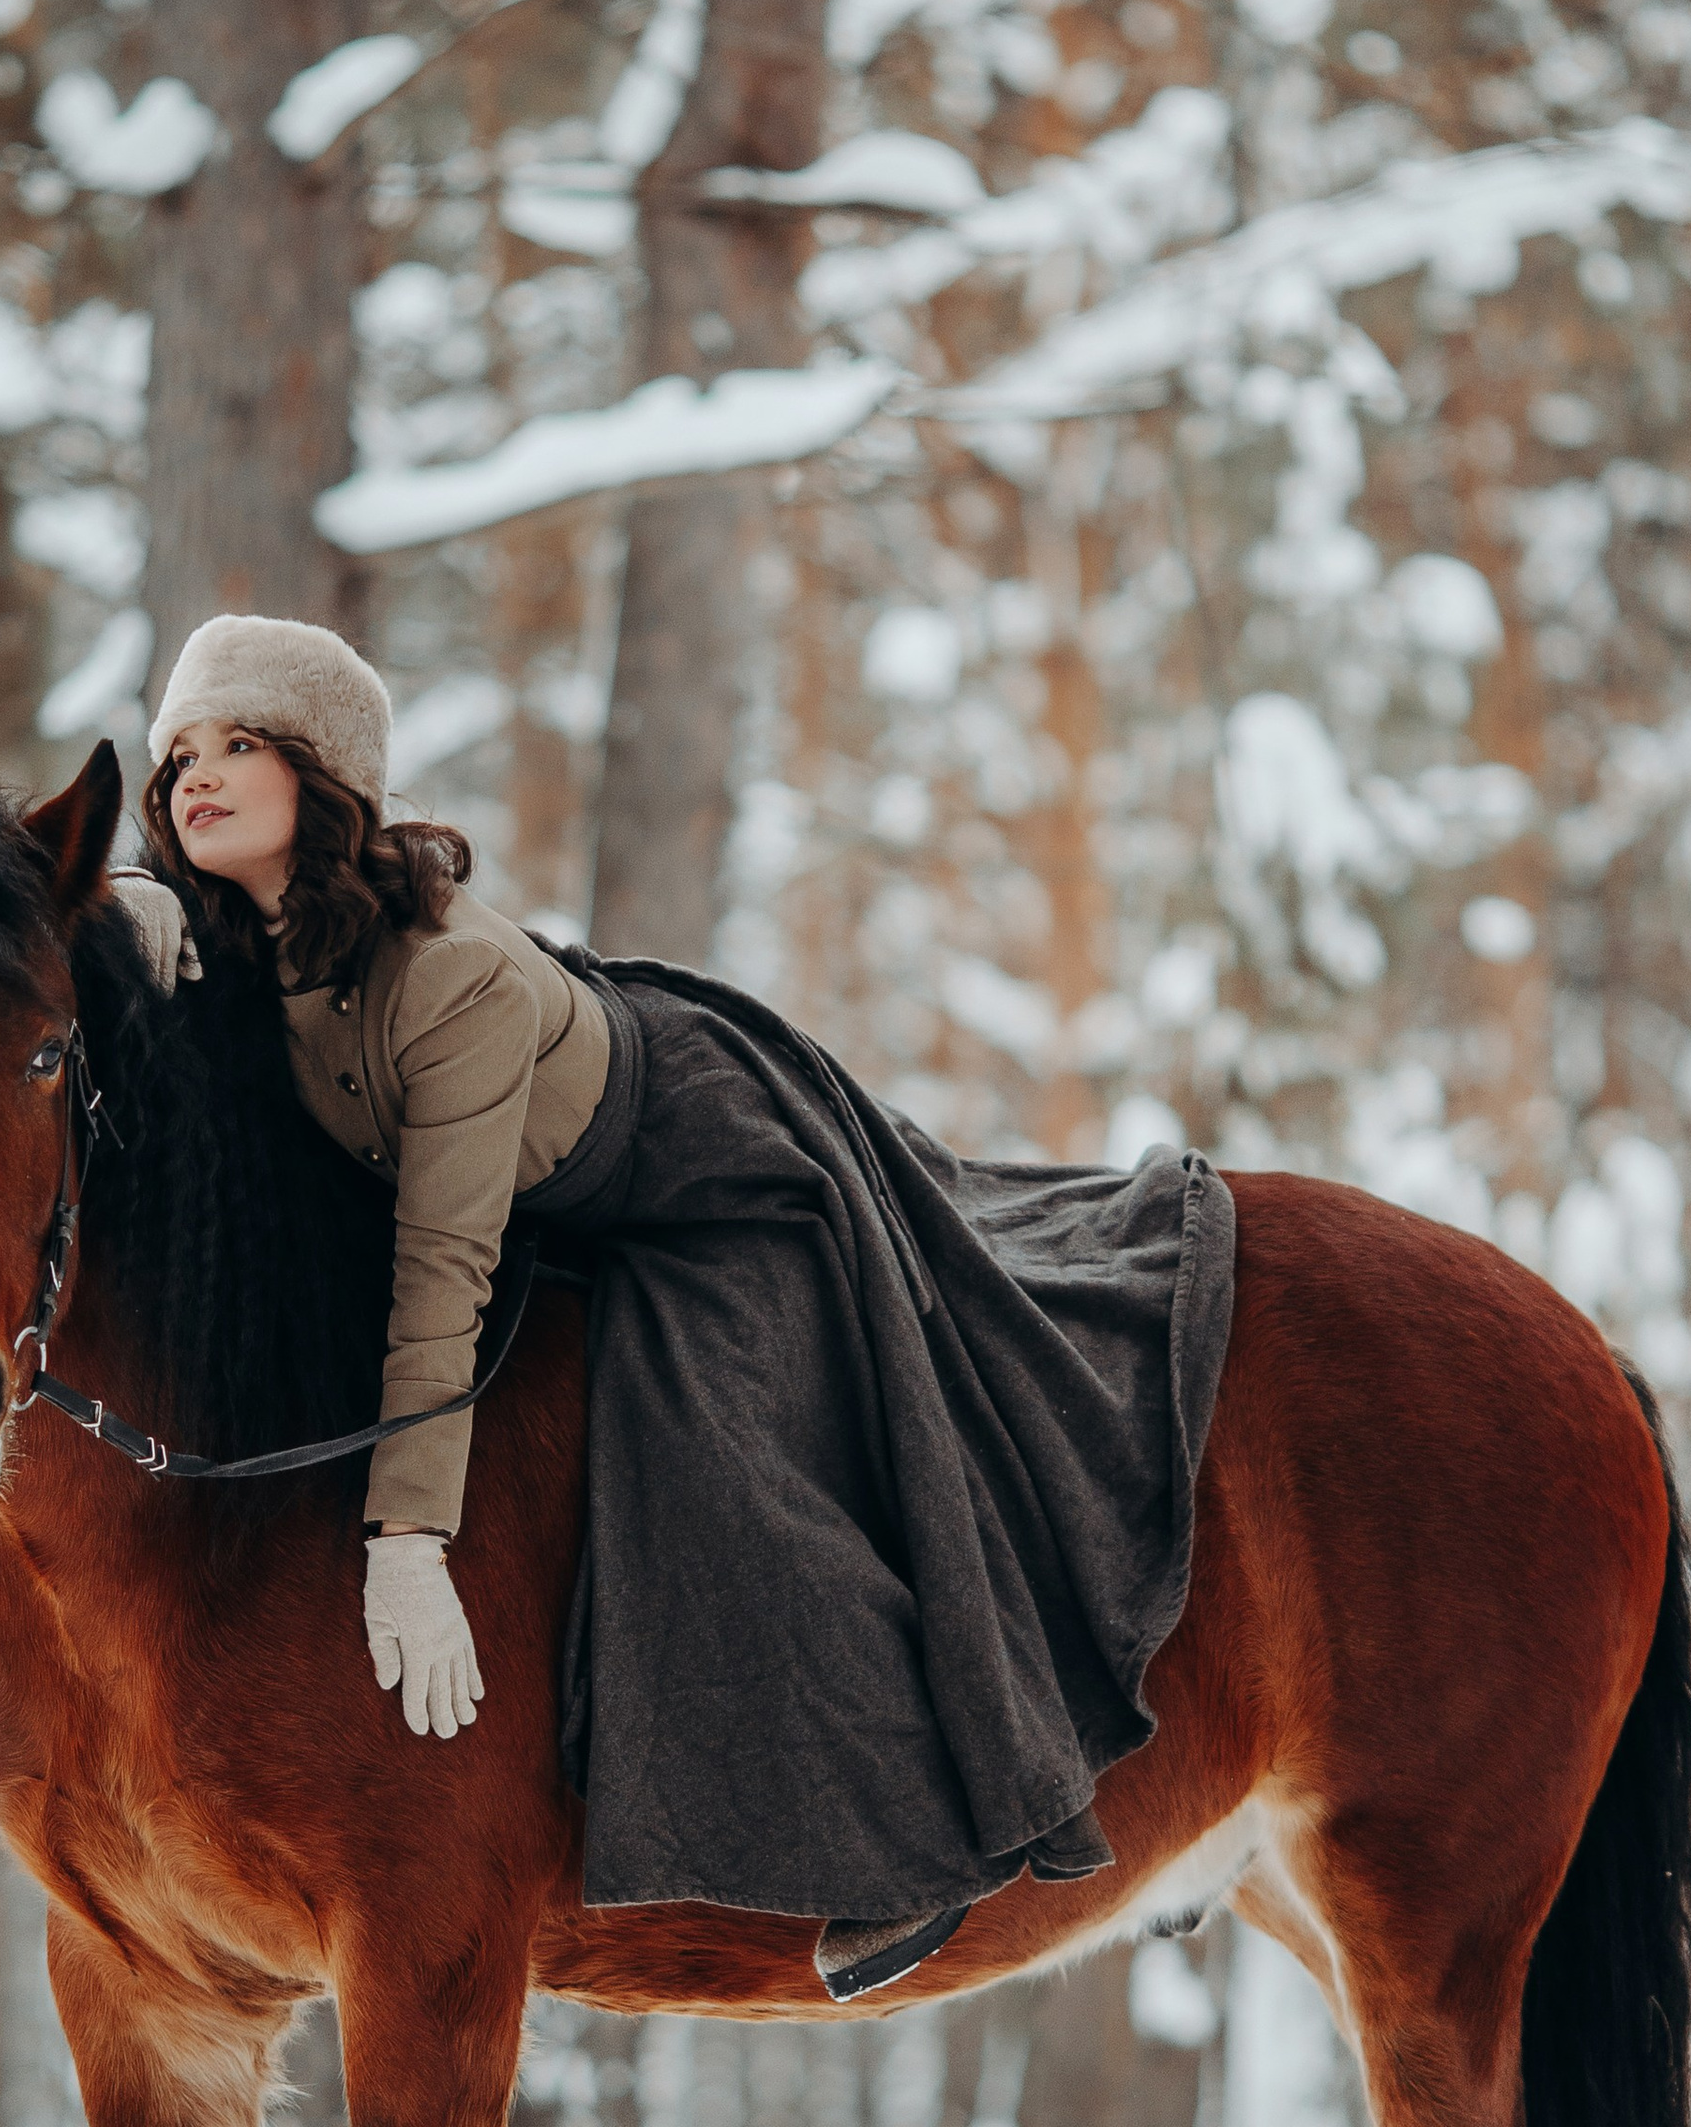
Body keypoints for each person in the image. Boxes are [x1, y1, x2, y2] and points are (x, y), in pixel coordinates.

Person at [119, 614, 1234, 2000]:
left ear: (322, 774)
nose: (197, 777)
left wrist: (410, 1540)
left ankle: (908, 1847)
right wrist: (121, 919)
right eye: (179, 756)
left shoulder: (443, 976)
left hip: (697, 1163)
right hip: (556, 1187)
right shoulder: (234, 941)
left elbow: (442, 1263)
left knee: (727, 1461)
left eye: (238, 743)